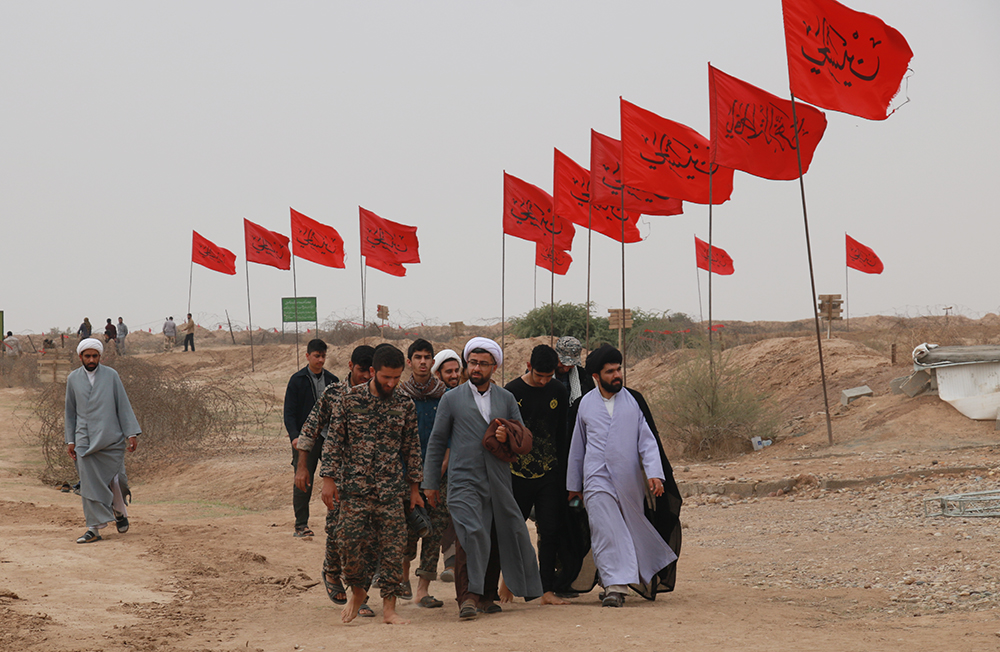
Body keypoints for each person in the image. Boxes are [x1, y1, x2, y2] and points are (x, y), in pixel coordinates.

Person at [423, 337, 543, 620]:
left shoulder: (506, 398)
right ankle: (468, 597)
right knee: (471, 533)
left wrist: (507, 435)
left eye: (483, 364)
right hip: (463, 479)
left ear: (494, 366)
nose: (476, 368)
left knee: (497, 533)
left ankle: (487, 596)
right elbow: (437, 441)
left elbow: (524, 438)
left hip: (498, 479)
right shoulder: (451, 399)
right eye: (472, 362)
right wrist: (429, 482)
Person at [566, 344, 681, 607]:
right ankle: (615, 588)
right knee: (606, 531)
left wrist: (655, 474)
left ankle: (614, 581)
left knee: (629, 529)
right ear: (596, 376)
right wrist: (574, 486)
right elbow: (577, 447)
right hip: (595, 477)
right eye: (610, 371)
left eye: (619, 369)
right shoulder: (584, 405)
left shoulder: (634, 401)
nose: (617, 375)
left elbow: (648, 442)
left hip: (629, 480)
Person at [319, 345, 423, 625]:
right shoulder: (349, 400)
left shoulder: (405, 404)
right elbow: (334, 441)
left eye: (397, 378)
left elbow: (412, 449)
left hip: (391, 491)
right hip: (354, 489)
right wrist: (328, 479)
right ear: (373, 372)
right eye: (386, 377)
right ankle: (357, 591)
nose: (391, 383)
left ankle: (389, 608)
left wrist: (414, 490)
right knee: (347, 543)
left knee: (393, 549)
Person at [296, 344, 375, 617]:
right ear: (351, 365)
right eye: (362, 370)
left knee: (369, 535)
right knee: (339, 530)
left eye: (371, 371)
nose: (367, 376)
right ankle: (331, 571)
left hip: (372, 477)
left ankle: (360, 593)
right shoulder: (334, 394)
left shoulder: (381, 394)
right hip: (338, 474)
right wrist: (302, 468)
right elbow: (309, 430)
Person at [504, 344, 571, 605]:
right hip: (516, 474)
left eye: (549, 376)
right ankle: (508, 581)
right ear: (528, 366)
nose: (544, 381)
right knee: (512, 530)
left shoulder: (559, 390)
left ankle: (546, 590)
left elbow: (562, 434)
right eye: (539, 375)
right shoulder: (511, 391)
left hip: (549, 473)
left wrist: (565, 473)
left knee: (550, 530)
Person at [65, 338, 140, 543]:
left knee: (116, 480)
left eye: (95, 356)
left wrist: (130, 433)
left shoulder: (111, 376)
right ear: (80, 357)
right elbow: (70, 412)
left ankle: (119, 510)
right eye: (87, 356)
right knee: (89, 484)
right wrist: (69, 440)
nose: (91, 359)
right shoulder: (73, 379)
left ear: (100, 357)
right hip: (84, 440)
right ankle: (93, 529)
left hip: (111, 437)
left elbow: (122, 405)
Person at [399, 339, 448, 608]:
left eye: (427, 357)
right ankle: (403, 575)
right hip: (407, 477)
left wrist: (440, 469)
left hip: (439, 475)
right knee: (408, 530)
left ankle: (423, 590)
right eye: (417, 357)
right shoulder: (401, 395)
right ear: (409, 361)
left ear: (433, 361)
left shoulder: (445, 395)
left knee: (435, 531)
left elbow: (452, 436)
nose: (422, 361)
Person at [285, 339, 339, 538]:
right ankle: (301, 525)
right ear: (307, 356)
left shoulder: (333, 381)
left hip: (329, 438)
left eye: (323, 356)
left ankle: (336, 524)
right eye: (317, 356)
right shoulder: (297, 380)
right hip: (305, 440)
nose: (320, 360)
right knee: (303, 481)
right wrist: (295, 437)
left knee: (337, 478)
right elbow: (289, 413)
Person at [430, 347, 462, 581]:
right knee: (442, 517)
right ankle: (446, 563)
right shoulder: (435, 399)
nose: (453, 375)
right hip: (440, 467)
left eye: (456, 370)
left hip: (462, 466)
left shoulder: (466, 395)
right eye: (448, 371)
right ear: (438, 374)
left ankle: (456, 564)